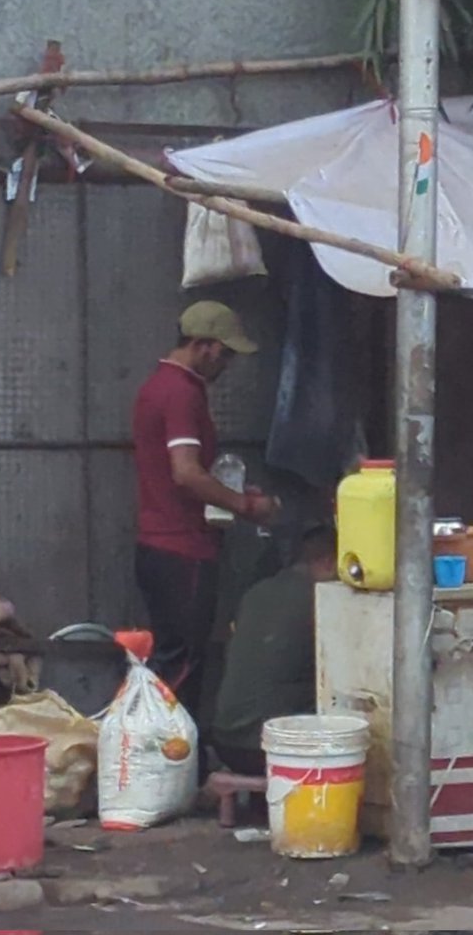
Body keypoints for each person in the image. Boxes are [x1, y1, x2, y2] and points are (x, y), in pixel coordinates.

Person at [132, 301, 278, 719]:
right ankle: (172, 766)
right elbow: (186, 474)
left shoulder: (157, 387)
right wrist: (247, 505)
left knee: (173, 658)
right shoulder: (181, 393)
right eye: (225, 353)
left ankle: (165, 763)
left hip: (158, 546)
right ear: (204, 346)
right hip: (183, 550)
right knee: (182, 665)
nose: (227, 363)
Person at [212, 525, 338, 776]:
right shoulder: (323, 599)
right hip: (273, 749)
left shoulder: (256, 592)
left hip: (225, 741)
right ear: (327, 562)